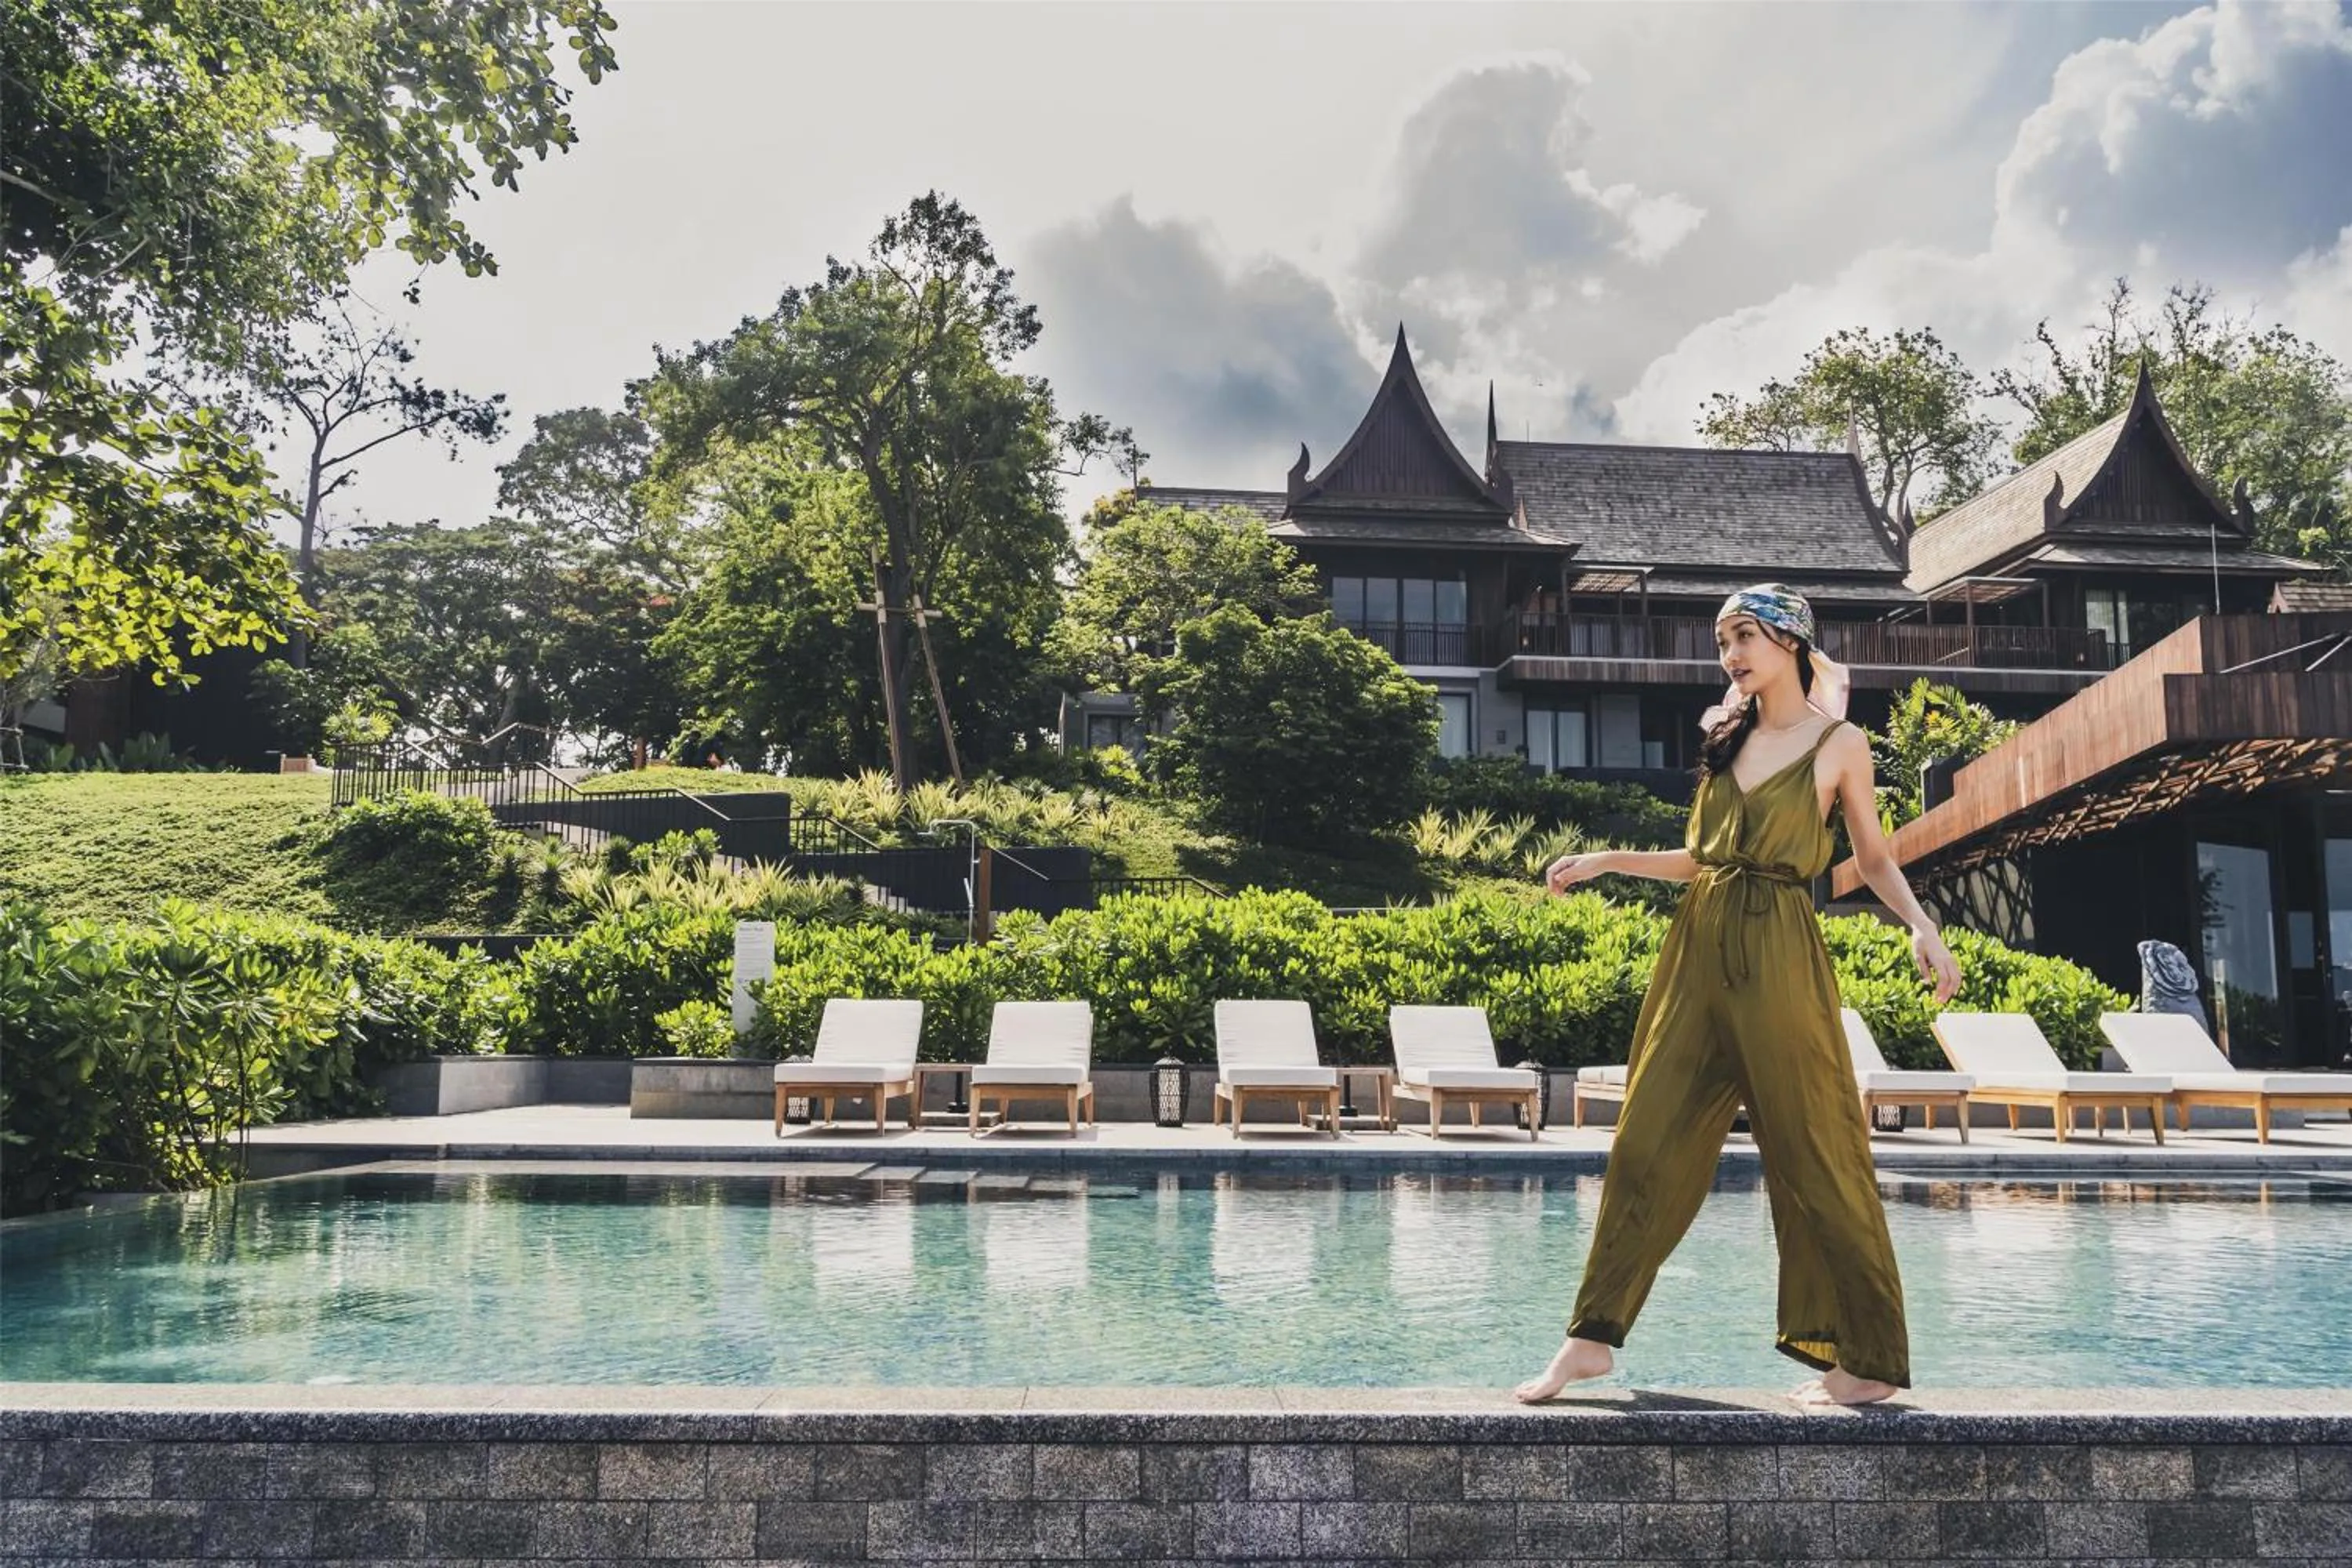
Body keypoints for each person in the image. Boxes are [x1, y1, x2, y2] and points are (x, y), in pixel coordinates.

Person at [1514, 584, 1962, 1408]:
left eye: (1745, 636)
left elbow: (1871, 857)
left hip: (1781, 950)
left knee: (1814, 1147)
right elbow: (1701, 856)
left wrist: (1922, 925)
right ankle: (1589, 1338)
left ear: (1790, 640)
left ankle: (1868, 1356)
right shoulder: (1727, 738)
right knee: (1646, 1139)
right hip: (1698, 947)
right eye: (1724, 641)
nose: (1732, 655)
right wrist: (1608, 858)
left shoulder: (1840, 743)